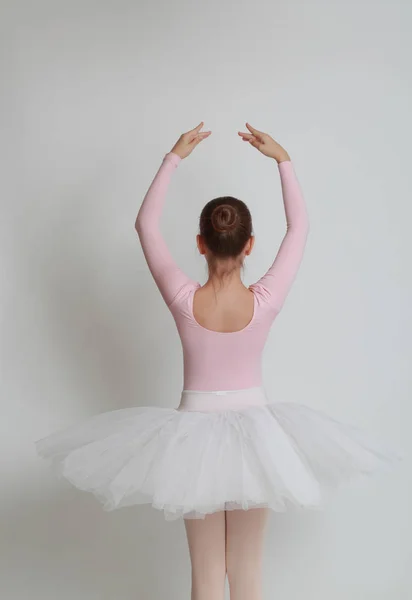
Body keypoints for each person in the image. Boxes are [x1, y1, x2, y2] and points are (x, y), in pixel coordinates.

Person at [35, 122, 398, 600]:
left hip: (192, 438)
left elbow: (145, 225)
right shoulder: (265, 300)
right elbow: (301, 228)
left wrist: (173, 157)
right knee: (246, 576)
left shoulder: (183, 299)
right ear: (249, 245)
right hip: (258, 436)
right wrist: (282, 161)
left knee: (206, 576)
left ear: (200, 243)